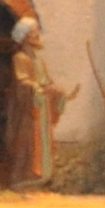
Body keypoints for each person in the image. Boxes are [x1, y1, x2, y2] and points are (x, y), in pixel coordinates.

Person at [12, 20, 68, 187]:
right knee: (29, 143)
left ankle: (44, 175)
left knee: (44, 141)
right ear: (25, 36)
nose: (37, 35)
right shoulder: (20, 58)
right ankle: (26, 177)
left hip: (43, 108)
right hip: (32, 108)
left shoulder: (39, 60)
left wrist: (57, 92)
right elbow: (22, 81)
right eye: (33, 32)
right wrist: (36, 88)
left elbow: (47, 82)